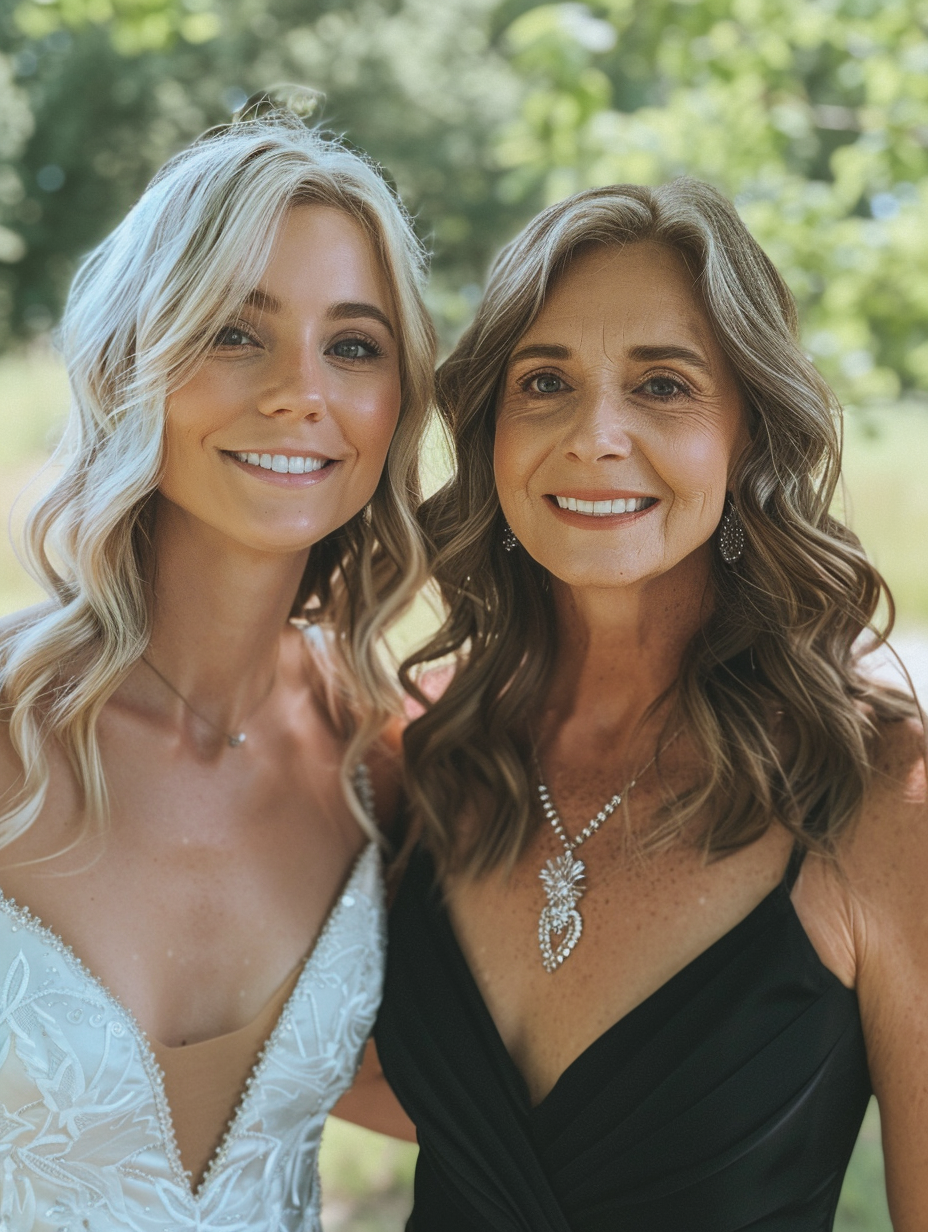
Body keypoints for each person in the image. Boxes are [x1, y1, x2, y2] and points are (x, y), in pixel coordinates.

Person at [370, 180, 927, 1229]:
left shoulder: (879, 794)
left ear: (749, 434)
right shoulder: (439, 756)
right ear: (492, 431)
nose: (594, 435)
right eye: (545, 381)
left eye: (663, 385)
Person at [0, 102, 434, 1227]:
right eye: (236, 331)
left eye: (353, 344)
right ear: (134, 355)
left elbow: (464, 1092)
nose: (303, 391)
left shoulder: (377, 754)